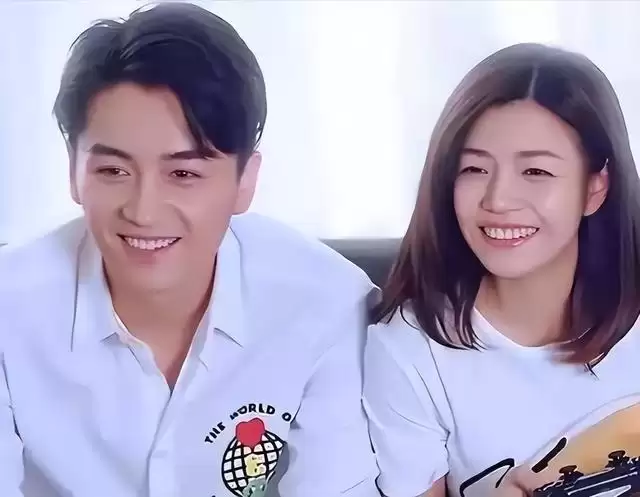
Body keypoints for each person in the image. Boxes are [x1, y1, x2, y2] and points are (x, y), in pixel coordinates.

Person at [0, 3, 379, 496]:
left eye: (183, 173)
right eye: (113, 171)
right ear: (73, 169)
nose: (143, 211)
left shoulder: (327, 304)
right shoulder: (10, 309)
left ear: (246, 180)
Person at [363, 43, 640, 497]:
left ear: (595, 187)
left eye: (535, 172)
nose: (498, 200)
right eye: (474, 168)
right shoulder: (411, 348)